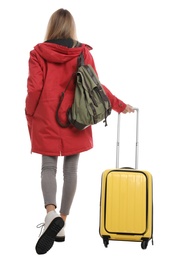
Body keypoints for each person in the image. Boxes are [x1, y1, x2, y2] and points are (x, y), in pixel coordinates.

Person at [25, 8, 134, 255]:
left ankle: (51, 214)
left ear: (51, 26)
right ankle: (62, 221)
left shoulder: (38, 53)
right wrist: (118, 104)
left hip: (46, 117)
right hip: (76, 118)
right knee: (71, 170)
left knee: (48, 168)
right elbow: (95, 86)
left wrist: (30, 115)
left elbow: (34, 89)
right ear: (71, 27)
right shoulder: (82, 52)